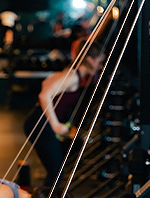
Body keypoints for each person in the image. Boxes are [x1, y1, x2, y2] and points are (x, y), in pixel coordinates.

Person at [23, 49, 104, 187]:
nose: (101, 66)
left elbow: (46, 84)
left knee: (57, 167)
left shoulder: (71, 73)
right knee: (56, 172)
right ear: (90, 59)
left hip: (38, 121)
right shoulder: (72, 77)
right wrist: (55, 124)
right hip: (40, 122)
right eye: (100, 62)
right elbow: (44, 95)